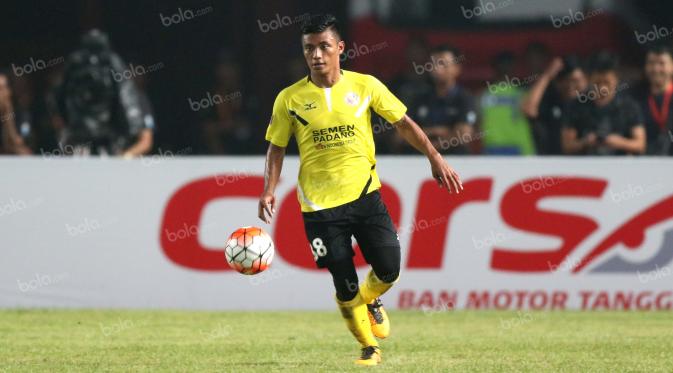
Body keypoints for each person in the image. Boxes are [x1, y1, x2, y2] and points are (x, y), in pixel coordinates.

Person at [258, 14, 462, 366]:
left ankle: (372, 299)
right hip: (319, 207)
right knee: (344, 282)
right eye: (309, 49)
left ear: (340, 48)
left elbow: (403, 124)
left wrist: (434, 157)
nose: (317, 55)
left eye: (324, 46)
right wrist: (268, 189)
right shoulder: (288, 99)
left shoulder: (366, 86)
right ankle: (369, 348)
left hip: (366, 195)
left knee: (389, 269)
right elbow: (276, 147)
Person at [562, 52, 646, 155]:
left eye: (607, 82)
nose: (602, 88)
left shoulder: (629, 106)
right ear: (588, 79)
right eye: (597, 82)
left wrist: (618, 142)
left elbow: (640, 145)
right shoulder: (576, 105)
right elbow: (567, 146)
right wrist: (585, 142)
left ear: (616, 80)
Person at [405, 44, 476, 154]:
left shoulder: (465, 98)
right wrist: (440, 131)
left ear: (457, 68)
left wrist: (427, 141)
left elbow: (464, 136)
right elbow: (404, 134)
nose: (437, 69)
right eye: (433, 64)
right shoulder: (420, 98)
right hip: (420, 163)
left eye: (443, 64)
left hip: (457, 163)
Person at [521, 56, 587, 155]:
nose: (571, 86)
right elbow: (528, 109)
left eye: (576, 81)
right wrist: (547, 75)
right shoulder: (550, 101)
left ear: (586, 79)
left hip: (587, 163)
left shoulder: (591, 102)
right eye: (566, 80)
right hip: (550, 162)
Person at [479, 51, 536, 155]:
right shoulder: (523, 94)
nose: (505, 68)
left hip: (504, 146)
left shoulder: (483, 95)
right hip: (507, 146)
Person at [635, 45, 673, 155]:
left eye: (661, 63)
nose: (656, 69)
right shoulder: (634, 98)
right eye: (651, 63)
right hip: (645, 162)